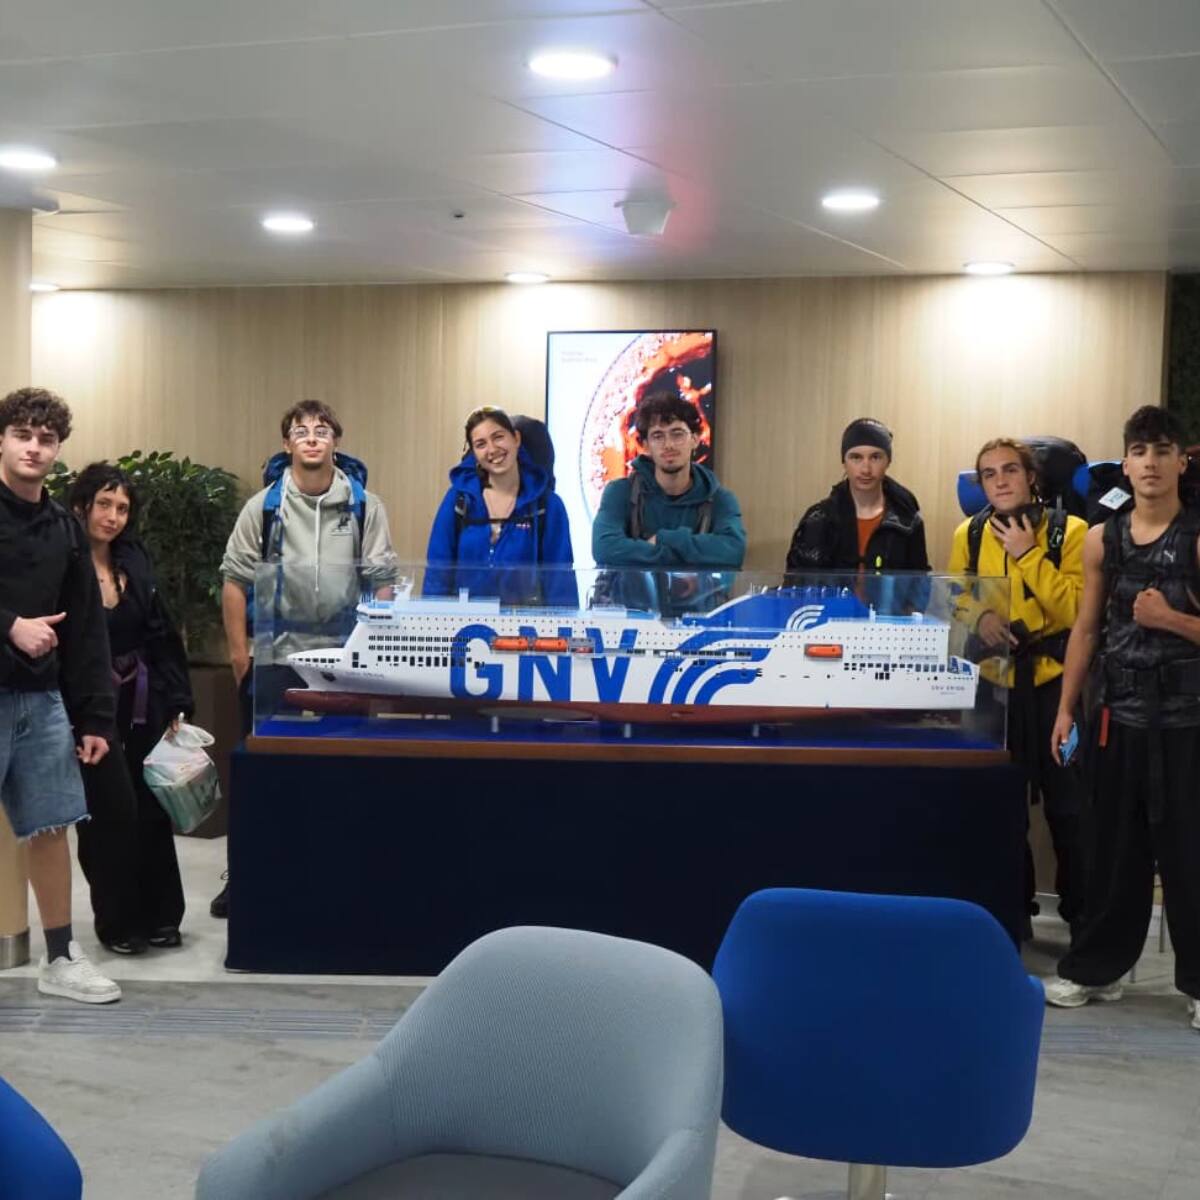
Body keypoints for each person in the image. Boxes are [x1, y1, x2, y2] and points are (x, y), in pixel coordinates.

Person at [1047, 406, 1200, 1030]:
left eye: (1162, 451)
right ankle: (1097, 970)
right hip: (1117, 717)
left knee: (1189, 854)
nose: (1151, 463)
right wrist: (1065, 709)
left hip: (1187, 720)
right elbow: (1086, 630)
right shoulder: (1101, 538)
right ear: (1127, 464)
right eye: (1139, 452)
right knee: (1112, 853)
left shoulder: (1196, 537)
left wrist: (1170, 620)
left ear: (1181, 462)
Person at [217, 400, 397, 916]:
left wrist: (372, 655)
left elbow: (383, 583)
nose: (312, 438)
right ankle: (247, 874)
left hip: (342, 659)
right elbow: (234, 581)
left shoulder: (364, 506)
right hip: (276, 657)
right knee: (260, 775)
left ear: (336, 440)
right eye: (301, 431)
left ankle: (334, 873)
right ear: (287, 444)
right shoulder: (264, 507)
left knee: (340, 771)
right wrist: (240, 656)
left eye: (321, 430)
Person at [0, 387, 120, 1003]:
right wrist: (11, 625)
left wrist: (95, 716)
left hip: (41, 699)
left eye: (46, 439)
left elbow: (87, 630)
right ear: (2, 440)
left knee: (51, 827)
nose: (34, 447)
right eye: (22, 435)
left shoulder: (64, 530)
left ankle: (61, 958)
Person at [949, 438, 1088, 940]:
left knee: (1070, 808)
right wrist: (980, 615)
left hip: (1056, 688)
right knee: (999, 808)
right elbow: (955, 592)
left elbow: (1076, 609)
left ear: (1031, 477)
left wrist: (1028, 554)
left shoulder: (1070, 532)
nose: (1001, 480)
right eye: (989, 474)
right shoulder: (969, 534)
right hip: (994, 686)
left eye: (1010, 470)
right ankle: (1010, 917)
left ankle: (1083, 920)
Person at [69, 463, 193, 955]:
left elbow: (160, 631)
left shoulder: (134, 558)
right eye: (104, 504)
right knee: (106, 814)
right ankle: (118, 922)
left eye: (122, 508)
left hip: (143, 697)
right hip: (88, 705)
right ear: (81, 506)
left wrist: (177, 698)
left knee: (152, 806)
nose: (113, 516)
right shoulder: (64, 560)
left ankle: (162, 915)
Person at [591, 392, 745, 605]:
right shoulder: (620, 492)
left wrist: (663, 540)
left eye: (677, 434)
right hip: (631, 616)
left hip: (699, 617)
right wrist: (690, 557)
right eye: (658, 436)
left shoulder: (720, 499)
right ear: (645, 445)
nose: (669, 445)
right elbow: (605, 548)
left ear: (695, 439)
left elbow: (733, 551)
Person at [424, 407, 577, 606]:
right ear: (474, 454)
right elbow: (437, 576)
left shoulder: (548, 506)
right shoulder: (458, 501)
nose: (492, 449)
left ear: (516, 439)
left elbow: (561, 588)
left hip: (527, 623)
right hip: (463, 622)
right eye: (481, 444)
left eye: (498, 437)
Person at [785, 419, 930, 600]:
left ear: (888, 461)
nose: (866, 469)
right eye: (856, 457)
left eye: (875, 457)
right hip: (831, 616)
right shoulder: (819, 519)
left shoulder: (907, 518)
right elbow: (797, 586)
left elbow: (920, 584)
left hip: (887, 616)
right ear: (844, 462)